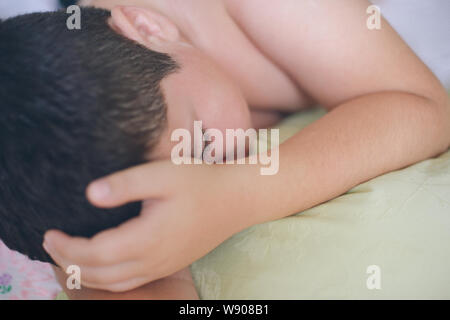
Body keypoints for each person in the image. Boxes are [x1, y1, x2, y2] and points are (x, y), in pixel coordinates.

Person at [3, 0, 450, 299]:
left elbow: (425, 107)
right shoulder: (71, 172)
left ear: (147, 28)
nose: (218, 166)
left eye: (202, 143)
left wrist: (236, 196)